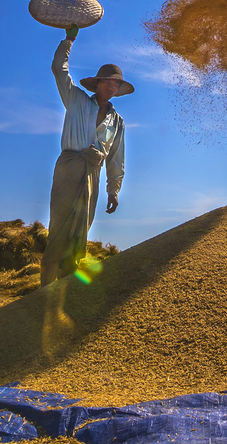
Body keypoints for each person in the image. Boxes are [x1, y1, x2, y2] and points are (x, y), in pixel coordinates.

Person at [43, 25, 129, 286]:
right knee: (59, 228)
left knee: (80, 232)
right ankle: (44, 291)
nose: (112, 87)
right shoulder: (76, 99)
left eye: (116, 84)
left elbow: (116, 157)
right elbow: (59, 69)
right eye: (108, 82)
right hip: (69, 167)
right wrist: (69, 40)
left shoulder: (117, 121)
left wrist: (113, 190)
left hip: (93, 173)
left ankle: (64, 290)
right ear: (98, 83)